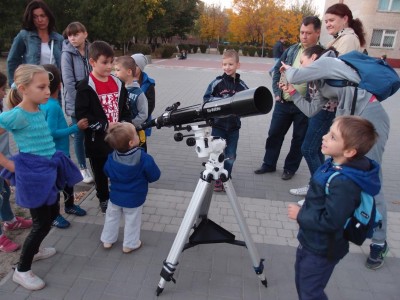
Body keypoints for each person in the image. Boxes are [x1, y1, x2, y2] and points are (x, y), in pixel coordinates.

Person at [282, 45, 390, 270]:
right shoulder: (322, 81)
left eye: (302, 60)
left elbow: (295, 73)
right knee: (340, 172)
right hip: (348, 124)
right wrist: (292, 92)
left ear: (313, 57)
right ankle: (346, 219)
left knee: (371, 180)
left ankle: (379, 242)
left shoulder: (329, 63)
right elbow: (312, 110)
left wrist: (285, 70)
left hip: (370, 118)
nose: (301, 65)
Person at [0, 64, 82, 290]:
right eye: (42, 86)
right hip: (33, 175)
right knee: (41, 222)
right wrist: (7, 163)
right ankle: (22, 270)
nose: (48, 91)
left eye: (48, 86)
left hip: (47, 171)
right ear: (24, 89)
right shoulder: (17, 115)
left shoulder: (38, 109)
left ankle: (35, 250)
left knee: (53, 212)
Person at [287, 115, 380, 300]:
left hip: (322, 248)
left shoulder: (344, 182)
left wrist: (300, 215)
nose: (324, 136)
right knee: (303, 283)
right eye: (329, 132)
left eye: (333, 137)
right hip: (311, 241)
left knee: (310, 292)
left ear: (349, 152)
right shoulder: (332, 164)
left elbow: (332, 221)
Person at [290, 3, 367, 201]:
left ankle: (320, 190)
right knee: (315, 148)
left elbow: (336, 71)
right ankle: (316, 186)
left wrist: (294, 72)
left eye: (331, 20)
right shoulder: (341, 39)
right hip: (327, 103)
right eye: (326, 21)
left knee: (310, 148)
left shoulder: (348, 39)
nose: (328, 24)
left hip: (330, 106)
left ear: (345, 19)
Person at [254, 16, 321, 180]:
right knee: (274, 134)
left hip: (304, 105)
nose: (304, 36)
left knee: (299, 139)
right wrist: (277, 92)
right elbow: (277, 70)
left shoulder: (321, 55)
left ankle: (290, 169)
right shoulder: (291, 50)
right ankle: (268, 164)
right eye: (301, 32)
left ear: (318, 33)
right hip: (283, 102)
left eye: (308, 33)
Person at [75, 41, 132, 214]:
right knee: (100, 172)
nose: (109, 66)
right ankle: (103, 198)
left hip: (118, 137)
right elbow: (83, 115)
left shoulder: (118, 83)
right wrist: (105, 126)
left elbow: (124, 108)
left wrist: (125, 123)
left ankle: (119, 195)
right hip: (97, 140)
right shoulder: (85, 86)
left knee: (119, 168)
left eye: (111, 62)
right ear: (92, 62)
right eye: (104, 62)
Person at [40, 64, 88, 228]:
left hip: (59, 153)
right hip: (57, 154)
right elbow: (52, 132)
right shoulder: (52, 106)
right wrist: (75, 127)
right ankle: (54, 215)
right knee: (56, 185)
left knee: (68, 181)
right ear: (60, 85)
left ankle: (69, 206)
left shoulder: (44, 103)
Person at [100, 122, 160, 253]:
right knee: (132, 220)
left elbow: (106, 171)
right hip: (135, 198)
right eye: (136, 135)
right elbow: (155, 175)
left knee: (111, 217)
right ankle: (130, 244)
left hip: (115, 196)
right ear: (131, 143)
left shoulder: (112, 157)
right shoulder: (144, 158)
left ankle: (107, 240)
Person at [203, 49, 249, 192]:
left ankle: (226, 176)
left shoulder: (242, 86)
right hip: (218, 126)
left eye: (230, 64)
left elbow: (248, 103)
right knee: (217, 152)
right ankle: (217, 178)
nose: (227, 67)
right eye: (225, 64)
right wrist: (221, 103)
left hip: (234, 128)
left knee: (231, 155)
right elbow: (206, 100)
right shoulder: (216, 83)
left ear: (237, 65)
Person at [0, 71, 33, 253]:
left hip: (3, 159)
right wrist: (7, 163)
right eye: (1, 89)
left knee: (4, 192)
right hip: (2, 160)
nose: (4, 93)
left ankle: (10, 221)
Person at [61, 21, 94, 184]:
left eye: (76, 34)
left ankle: (96, 164)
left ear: (85, 34)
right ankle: (82, 167)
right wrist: (81, 102)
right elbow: (68, 80)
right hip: (76, 103)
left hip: (93, 100)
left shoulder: (92, 50)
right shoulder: (66, 53)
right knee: (79, 134)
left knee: (94, 133)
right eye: (70, 35)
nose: (72, 38)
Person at [7, 0, 63, 86]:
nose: (39, 20)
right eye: (35, 17)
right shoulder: (24, 36)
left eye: (42, 16)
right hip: (32, 84)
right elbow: (12, 60)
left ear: (48, 16)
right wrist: (13, 84)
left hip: (54, 85)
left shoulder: (59, 38)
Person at [114, 56, 148, 150]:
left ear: (129, 72)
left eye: (118, 70)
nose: (115, 73)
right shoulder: (117, 90)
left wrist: (131, 125)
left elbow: (143, 114)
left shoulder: (139, 93)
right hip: (120, 133)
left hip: (135, 133)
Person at [131, 53, 155, 138]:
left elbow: (150, 106)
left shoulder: (149, 84)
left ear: (141, 68)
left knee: (141, 145)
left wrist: (139, 121)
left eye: (135, 66)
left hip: (142, 123)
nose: (132, 68)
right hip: (127, 122)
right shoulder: (124, 80)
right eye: (130, 65)